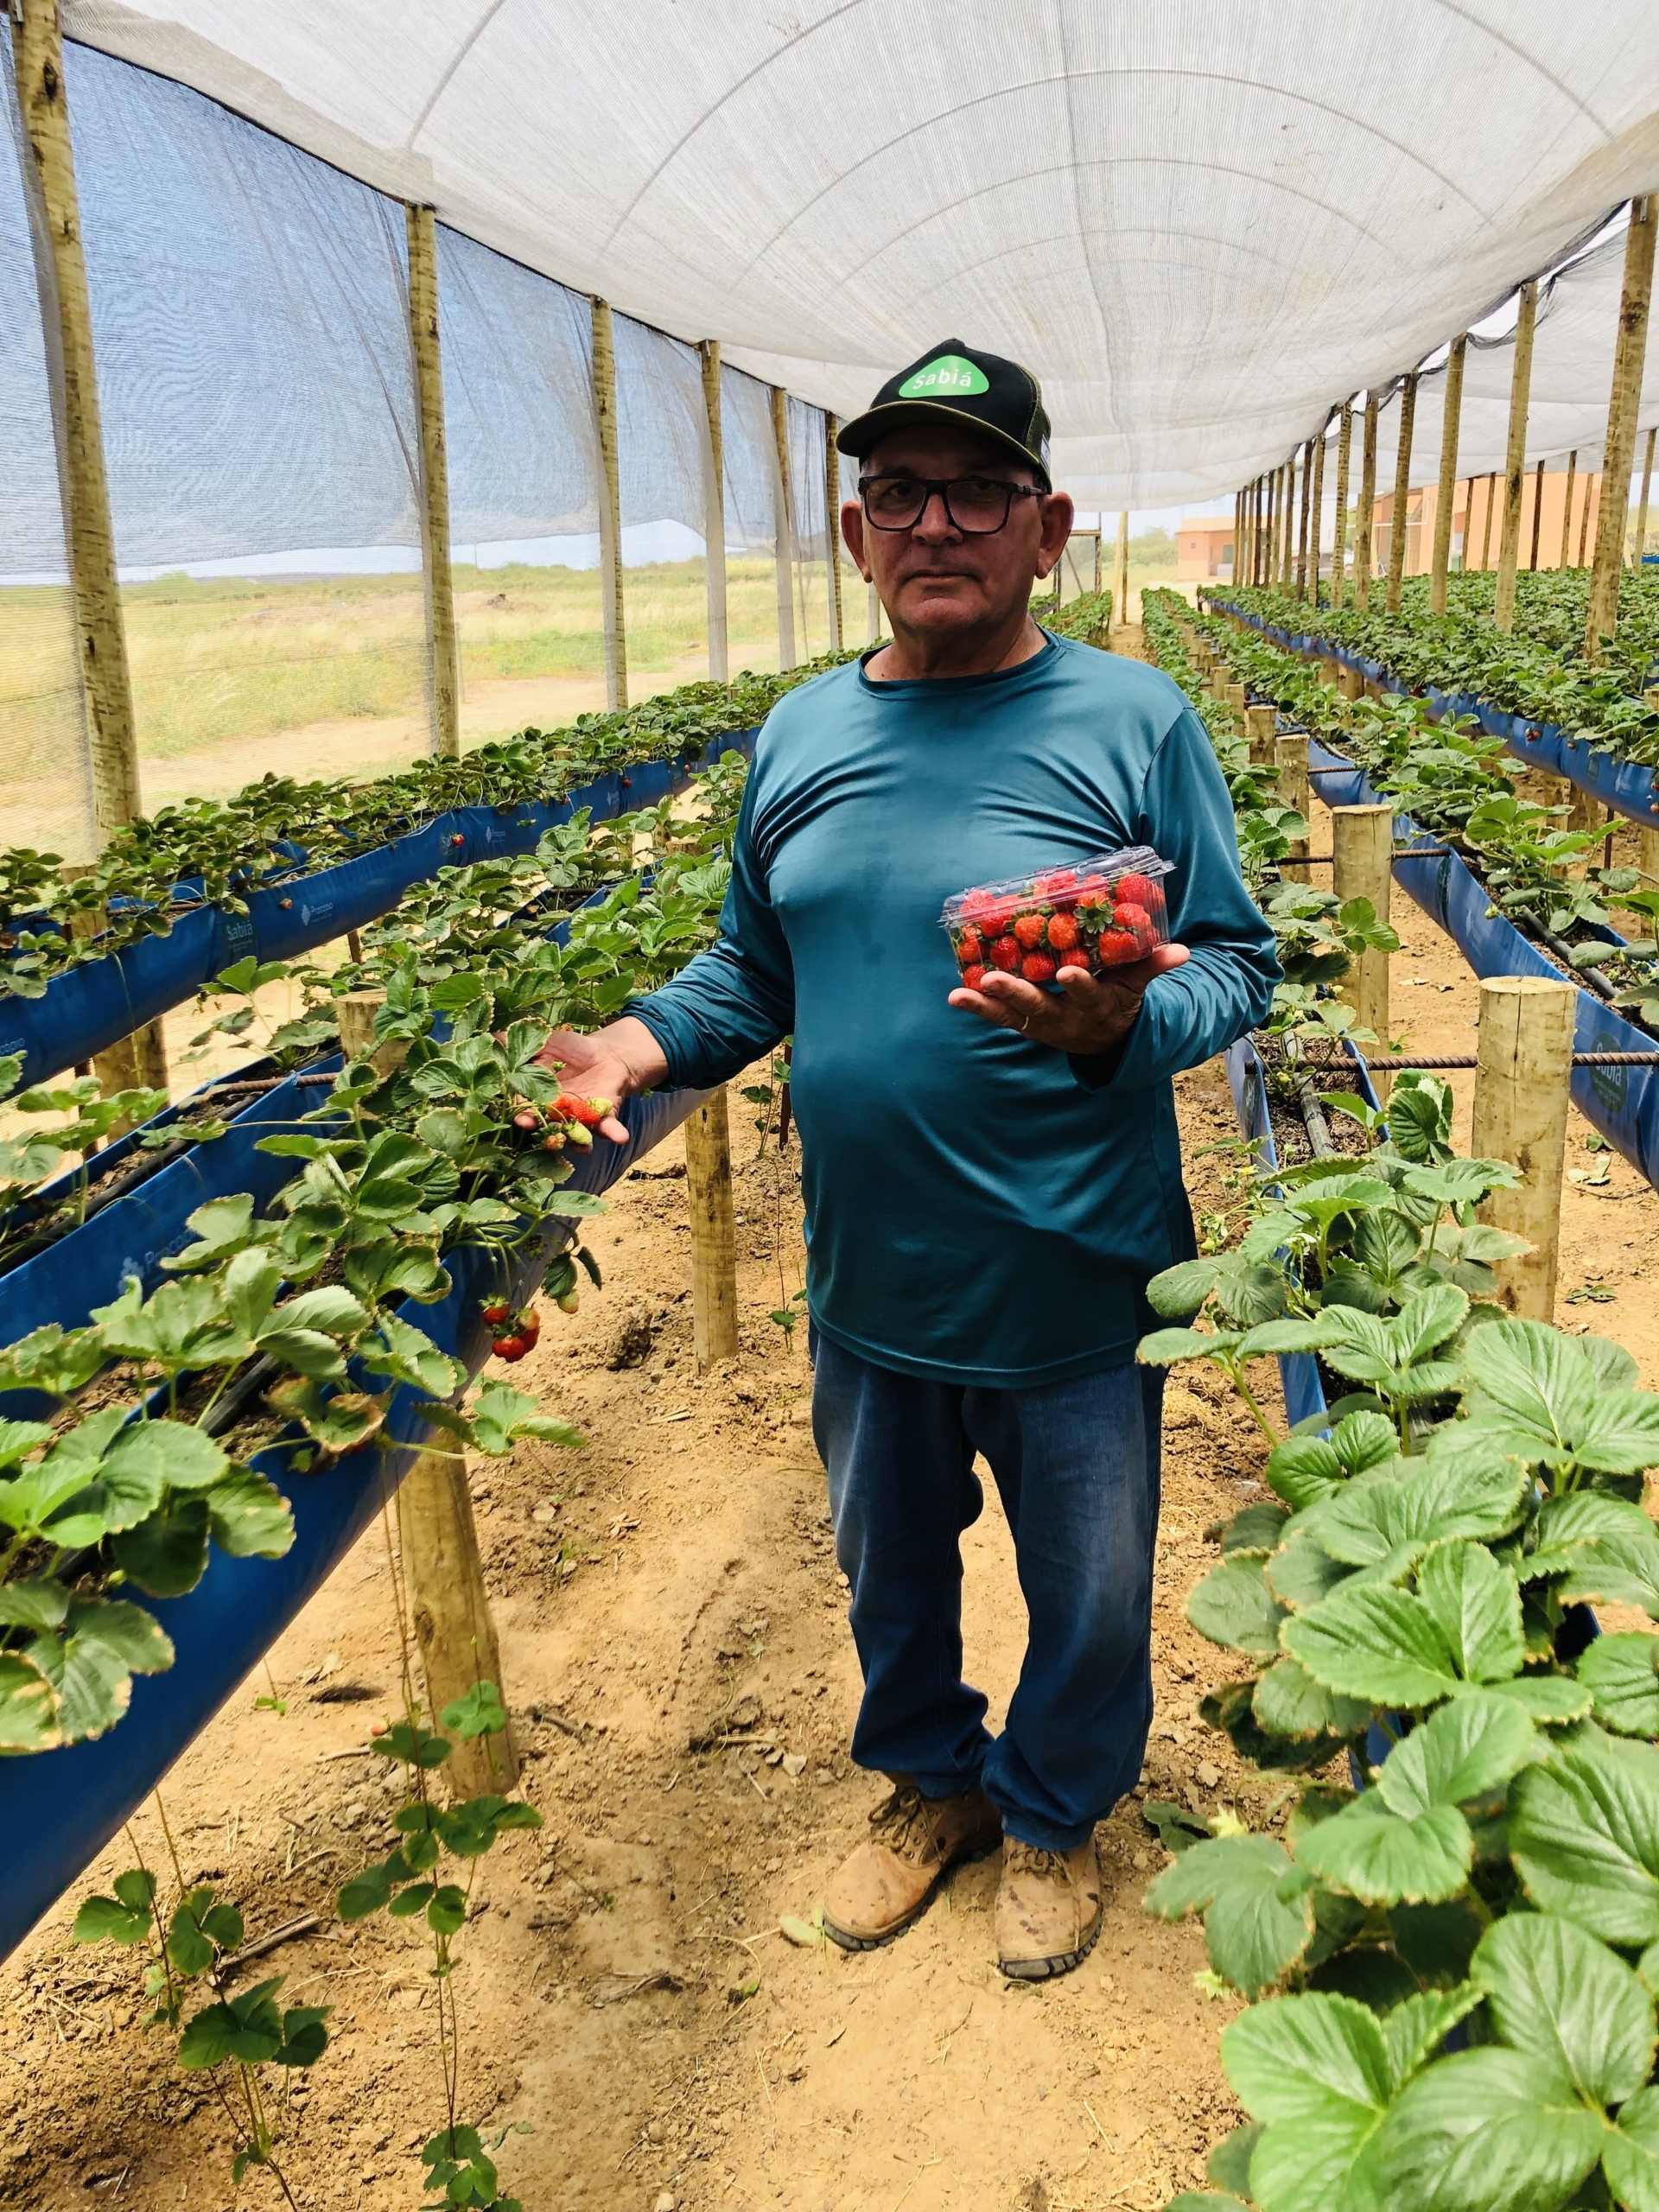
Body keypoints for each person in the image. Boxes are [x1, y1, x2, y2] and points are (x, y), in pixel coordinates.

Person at [537, 339, 1280, 1980]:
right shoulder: (798, 736)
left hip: (1079, 1272)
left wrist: (1119, 1030)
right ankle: (927, 1788)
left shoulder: (1134, 720)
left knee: (1089, 1591)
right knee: (889, 1572)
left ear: (1047, 522)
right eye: (896, 493)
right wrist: (638, 1047)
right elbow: (755, 969)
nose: (934, 522)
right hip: (872, 1275)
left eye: (975, 490)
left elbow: (1235, 959)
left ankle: (1054, 1815)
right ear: (858, 534)